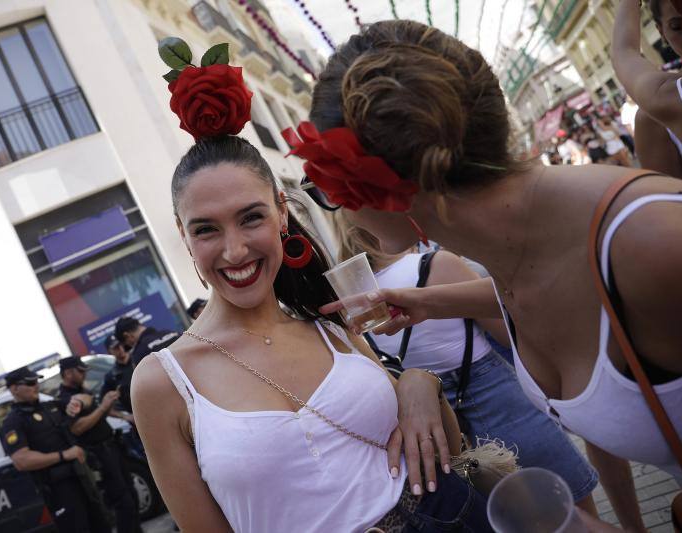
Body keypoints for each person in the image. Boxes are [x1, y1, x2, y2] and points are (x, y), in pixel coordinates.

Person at [298, 19, 682, 531]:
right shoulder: (519, 255)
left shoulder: (649, 242)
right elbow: (564, 288)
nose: (339, 210)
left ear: (380, 183)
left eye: (327, 187)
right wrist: (431, 303)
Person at [130, 45, 493, 531]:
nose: (235, 251)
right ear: (183, 235)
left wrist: (420, 383)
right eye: (206, 229)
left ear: (282, 212)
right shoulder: (162, 382)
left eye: (251, 218)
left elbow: (442, 448)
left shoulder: (329, 324)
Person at [334, 222, 600, 513]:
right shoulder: (436, 263)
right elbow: (509, 335)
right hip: (493, 395)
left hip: (432, 421)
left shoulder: (357, 299)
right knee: (570, 501)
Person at [0, 367, 108, 533]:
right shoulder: (13, 422)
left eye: (36, 381)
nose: (36, 385)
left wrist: (77, 402)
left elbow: (87, 398)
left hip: (81, 479)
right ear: (14, 389)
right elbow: (22, 460)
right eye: (30, 383)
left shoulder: (50, 406)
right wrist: (64, 455)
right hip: (58, 489)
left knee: (102, 524)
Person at [56, 356, 139, 533]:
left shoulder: (81, 390)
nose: (84, 374)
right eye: (80, 371)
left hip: (112, 446)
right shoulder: (66, 399)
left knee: (131, 495)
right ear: (68, 373)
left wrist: (122, 415)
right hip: (99, 454)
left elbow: (98, 411)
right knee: (123, 502)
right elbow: (77, 428)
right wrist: (103, 407)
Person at [614, 0, 682, 176]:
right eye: (678, 27)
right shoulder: (656, 117)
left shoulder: (665, 99)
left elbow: (624, 51)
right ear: (661, 31)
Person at [114, 316, 180, 366]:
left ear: (127, 335)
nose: (131, 346)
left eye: (128, 345)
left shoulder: (140, 354)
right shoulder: (172, 333)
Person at [100, 334, 136, 418]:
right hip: (138, 417)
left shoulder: (137, 358)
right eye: (115, 347)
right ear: (109, 351)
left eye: (120, 345)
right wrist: (125, 417)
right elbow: (103, 406)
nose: (120, 349)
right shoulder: (111, 376)